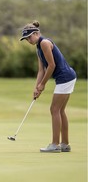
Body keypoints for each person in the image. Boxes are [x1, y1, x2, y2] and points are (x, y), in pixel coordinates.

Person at [20, 20, 77, 153]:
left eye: (29, 37)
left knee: (54, 109)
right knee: (60, 110)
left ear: (36, 33)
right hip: (67, 77)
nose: (28, 40)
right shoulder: (38, 48)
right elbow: (42, 70)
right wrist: (37, 87)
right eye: (26, 39)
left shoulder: (45, 43)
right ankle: (65, 144)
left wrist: (43, 84)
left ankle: (55, 144)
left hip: (65, 77)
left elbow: (52, 66)